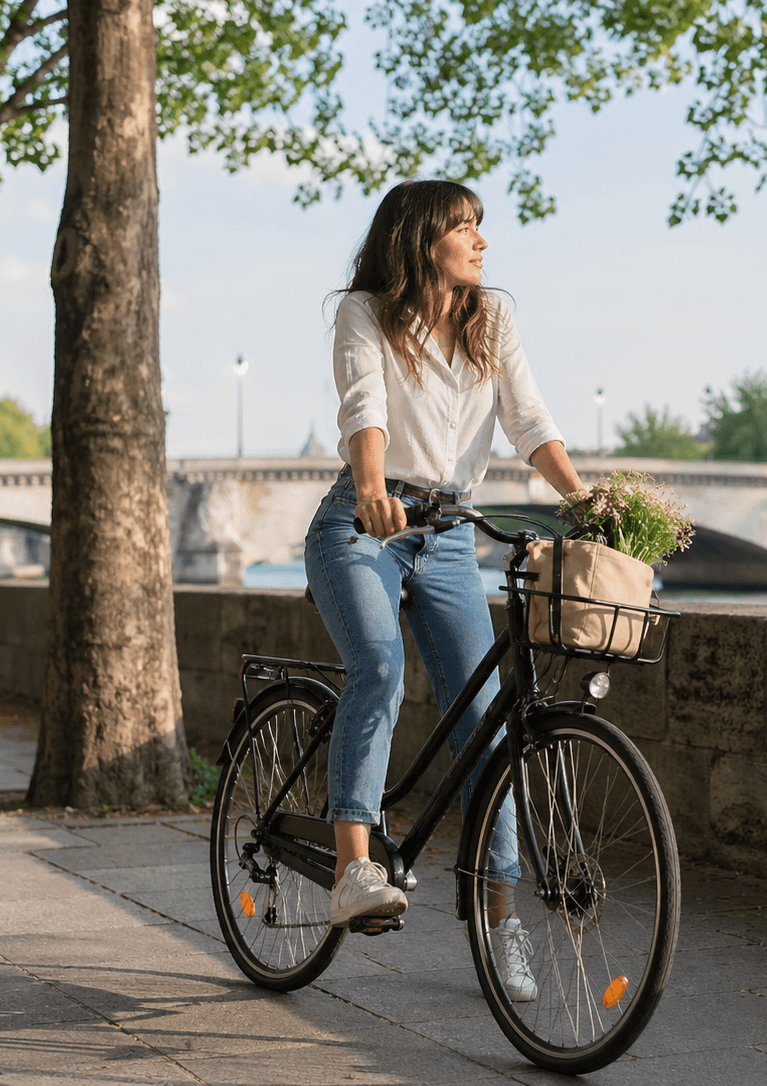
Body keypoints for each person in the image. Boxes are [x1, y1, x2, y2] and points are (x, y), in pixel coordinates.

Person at [304, 179, 583, 1001]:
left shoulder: (491, 320)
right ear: (423, 238)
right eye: (467, 228)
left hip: (453, 532)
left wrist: (585, 501)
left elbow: (528, 420)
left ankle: (500, 925)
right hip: (365, 523)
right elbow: (365, 406)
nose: (483, 242)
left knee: (489, 728)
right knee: (378, 667)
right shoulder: (365, 312)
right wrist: (370, 488)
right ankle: (354, 871)